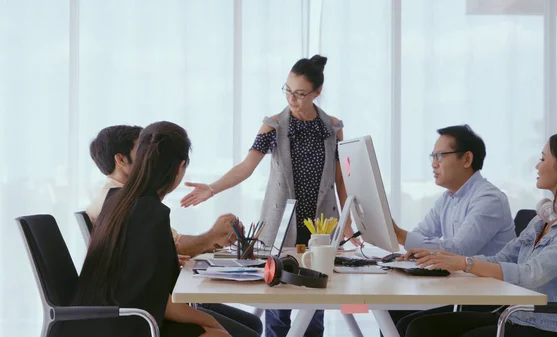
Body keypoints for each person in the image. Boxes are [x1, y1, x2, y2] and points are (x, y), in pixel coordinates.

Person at [181, 55, 357, 337]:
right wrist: (212, 188)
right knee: (278, 304)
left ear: (317, 93)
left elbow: (340, 179)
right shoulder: (274, 125)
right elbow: (246, 167)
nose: (292, 99)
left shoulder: (332, 127)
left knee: (316, 305)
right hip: (281, 224)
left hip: (320, 227)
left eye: (300, 93)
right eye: (288, 90)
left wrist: (348, 223)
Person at [399, 130, 557, 337]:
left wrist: (465, 263)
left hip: (545, 326)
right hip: (514, 316)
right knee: (420, 327)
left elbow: (531, 274)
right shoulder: (543, 219)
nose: (537, 166)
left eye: (542, 158)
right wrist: (453, 260)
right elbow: (501, 258)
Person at [86, 124, 263, 337]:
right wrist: (214, 324)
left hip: (108, 318)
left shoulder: (118, 200)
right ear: (180, 167)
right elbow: (160, 301)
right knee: (221, 334)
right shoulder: (148, 212)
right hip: (131, 323)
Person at [386, 125, 515, 328]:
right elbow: (421, 233)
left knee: (413, 325)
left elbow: (458, 251)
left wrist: (400, 235)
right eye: (432, 156)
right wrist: (408, 247)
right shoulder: (448, 198)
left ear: (466, 159)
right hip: (461, 291)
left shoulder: (489, 199)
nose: (434, 164)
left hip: (487, 301)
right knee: (391, 313)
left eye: (440, 156)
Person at [86, 125, 237, 257]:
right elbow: (174, 247)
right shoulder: (125, 203)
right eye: (141, 151)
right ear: (121, 160)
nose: (148, 156)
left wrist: (213, 240)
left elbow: (167, 247)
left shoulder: (114, 196)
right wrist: (212, 235)